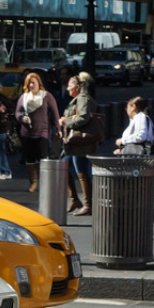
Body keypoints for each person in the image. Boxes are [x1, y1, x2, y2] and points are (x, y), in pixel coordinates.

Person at [59, 72, 99, 216]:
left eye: (69, 85)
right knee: (64, 167)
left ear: (77, 87)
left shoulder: (82, 98)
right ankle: (75, 199)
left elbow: (83, 117)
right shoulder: (78, 99)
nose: (67, 88)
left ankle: (88, 204)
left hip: (80, 142)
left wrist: (66, 121)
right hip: (73, 143)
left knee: (81, 171)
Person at [16, 71, 60, 193]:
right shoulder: (23, 97)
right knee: (29, 159)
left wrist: (58, 129)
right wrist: (21, 118)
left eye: (33, 82)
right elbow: (17, 112)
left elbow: (55, 114)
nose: (31, 85)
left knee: (43, 158)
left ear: (38, 83)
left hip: (42, 132)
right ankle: (33, 183)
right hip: (27, 133)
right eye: (29, 83)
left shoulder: (47, 96)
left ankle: (46, 183)